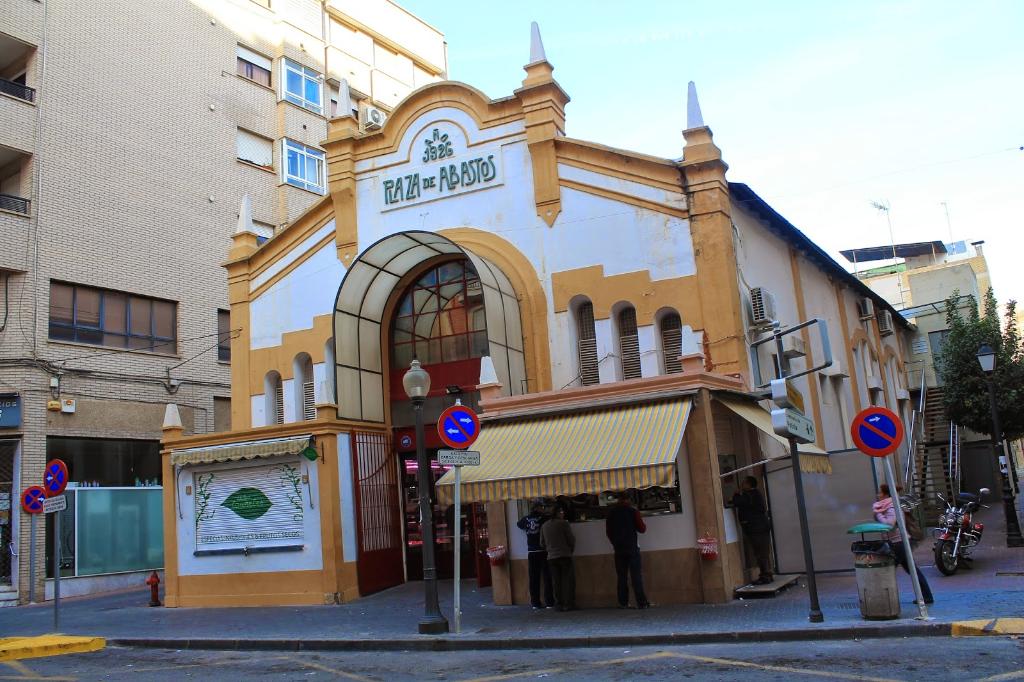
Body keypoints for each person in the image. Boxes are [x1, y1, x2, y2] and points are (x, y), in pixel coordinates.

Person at [873, 484, 934, 604]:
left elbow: (889, 525)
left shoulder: (892, 507)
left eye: (880, 493)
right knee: (911, 570)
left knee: (886, 571)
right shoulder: (886, 506)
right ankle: (927, 596)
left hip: (898, 544)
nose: (878, 495)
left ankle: (883, 599)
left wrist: (878, 514)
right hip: (897, 543)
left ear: (886, 494)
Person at [605, 491, 650, 609]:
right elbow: (642, 528)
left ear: (618, 499)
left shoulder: (611, 513)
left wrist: (615, 542)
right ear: (628, 499)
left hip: (619, 549)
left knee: (621, 577)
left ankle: (623, 602)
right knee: (636, 577)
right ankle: (641, 602)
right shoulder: (632, 511)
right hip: (632, 547)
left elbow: (608, 532)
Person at [731, 476, 774, 585]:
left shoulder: (750, 495)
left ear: (749, 484)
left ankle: (765, 576)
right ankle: (767, 575)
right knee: (763, 552)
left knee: (760, 553)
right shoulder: (755, 494)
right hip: (760, 527)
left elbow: (737, 502)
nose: (742, 485)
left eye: (744, 483)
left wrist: (736, 493)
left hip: (757, 528)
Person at [516, 502, 555, 609]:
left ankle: (535, 602)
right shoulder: (543, 519)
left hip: (532, 552)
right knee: (547, 577)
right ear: (537, 508)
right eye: (542, 507)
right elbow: (551, 518)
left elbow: (518, 524)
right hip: (543, 551)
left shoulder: (526, 519)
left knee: (534, 578)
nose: (543, 509)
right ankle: (549, 602)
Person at [540, 505, 576, 611]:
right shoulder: (564, 523)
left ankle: (559, 604)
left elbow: (542, 543)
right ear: (557, 513)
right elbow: (571, 540)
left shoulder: (544, 526)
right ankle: (569, 604)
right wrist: (570, 550)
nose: (563, 513)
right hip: (565, 555)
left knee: (556, 581)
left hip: (551, 557)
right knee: (568, 580)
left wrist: (550, 550)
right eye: (561, 511)